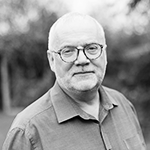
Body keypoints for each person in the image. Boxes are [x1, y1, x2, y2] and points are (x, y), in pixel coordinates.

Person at [2, 12, 147, 150]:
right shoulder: (27, 131)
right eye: (68, 51)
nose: (82, 60)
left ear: (105, 54)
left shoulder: (124, 105)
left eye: (92, 48)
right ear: (52, 60)